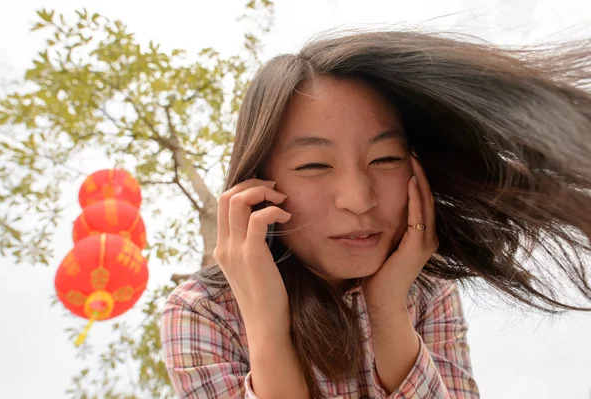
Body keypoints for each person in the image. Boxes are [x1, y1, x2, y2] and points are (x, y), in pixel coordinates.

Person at [159, 28, 591, 399]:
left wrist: (387, 310)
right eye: (315, 165)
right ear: (258, 187)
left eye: (385, 158)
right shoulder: (203, 312)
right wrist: (268, 328)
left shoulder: (427, 291)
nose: (359, 199)